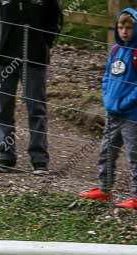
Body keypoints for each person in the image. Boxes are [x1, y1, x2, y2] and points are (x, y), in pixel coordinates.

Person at [0, 0, 63, 175]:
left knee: (36, 108)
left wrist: (45, 43)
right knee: (3, 109)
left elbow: (56, 19)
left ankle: (39, 158)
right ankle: (6, 155)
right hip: (2, 57)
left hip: (34, 59)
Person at [79, 9, 137, 210]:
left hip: (132, 116)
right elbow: (106, 77)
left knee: (134, 156)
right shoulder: (114, 50)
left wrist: (124, 103)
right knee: (106, 151)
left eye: (129, 28)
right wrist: (107, 97)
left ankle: (136, 197)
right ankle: (104, 189)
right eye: (121, 27)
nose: (124, 32)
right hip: (112, 113)